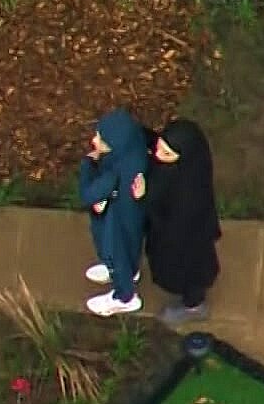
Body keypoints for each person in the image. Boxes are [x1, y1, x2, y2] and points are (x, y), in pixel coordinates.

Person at [137, 118, 220, 326]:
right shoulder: (182, 166)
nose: (158, 155)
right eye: (159, 148)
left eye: (166, 154)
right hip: (174, 235)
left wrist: (143, 198)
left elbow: (168, 221)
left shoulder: (189, 193)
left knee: (188, 275)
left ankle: (194, 307)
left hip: (182, 243)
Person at [79, 107, 148, 317]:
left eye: (101, 139)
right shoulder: (135, 152)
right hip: (133, 215)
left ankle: (124, 297)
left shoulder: (115, 173)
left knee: (114, 251)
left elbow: (88, 194)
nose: (95, 141)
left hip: (115, 219)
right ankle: (131, 272)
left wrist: (87, 164)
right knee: (130, 247)